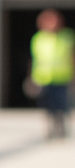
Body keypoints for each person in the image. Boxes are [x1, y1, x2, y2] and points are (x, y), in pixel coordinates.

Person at [30, 9, 73, 139]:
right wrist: (32, 77)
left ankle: (61, 127)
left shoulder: (67, 37)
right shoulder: (38, 38)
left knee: (62, 105)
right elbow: (34, 59)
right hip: (44, 78)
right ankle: (50, 128)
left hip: (62, 78)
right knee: (47, 105)